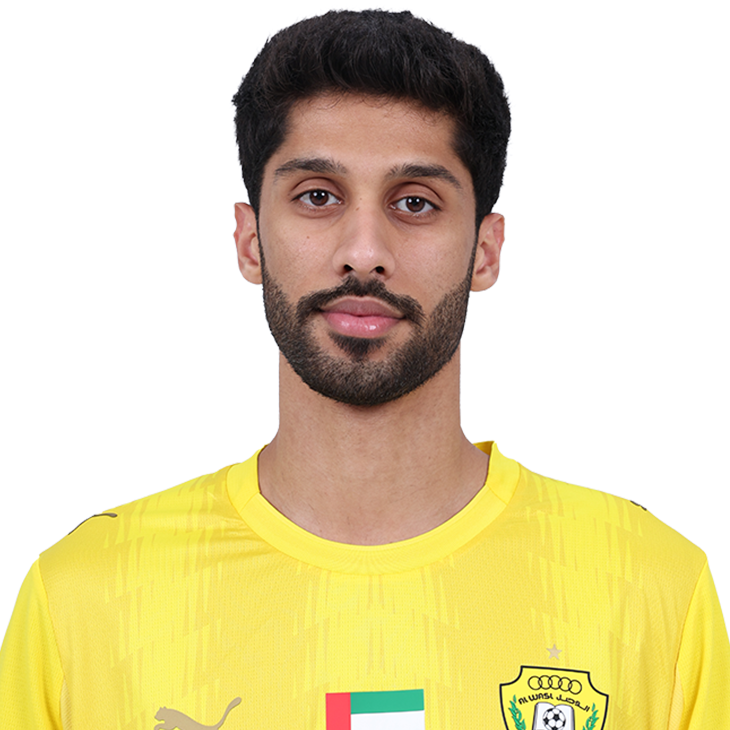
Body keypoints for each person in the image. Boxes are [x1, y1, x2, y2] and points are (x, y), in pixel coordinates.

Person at [1, 6, 727, 729]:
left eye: (415, 202)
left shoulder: (653, 590)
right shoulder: (81, 600)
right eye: (317, 196)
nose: (364, 252)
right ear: (249, 241)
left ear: (486, 251)